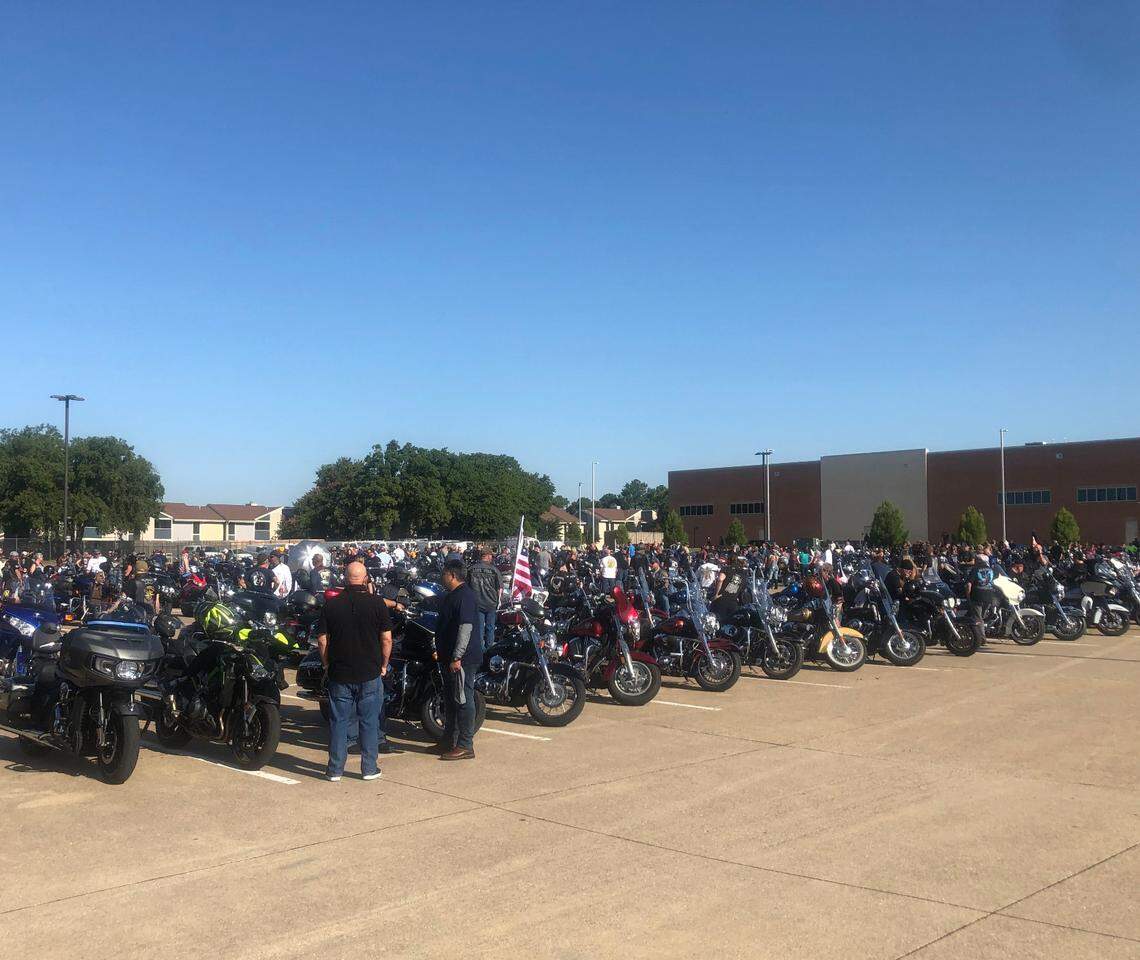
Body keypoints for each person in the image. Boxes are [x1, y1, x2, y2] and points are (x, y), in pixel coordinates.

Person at [316, 561, 393, 782]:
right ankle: (369, 768)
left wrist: (326, 664)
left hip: (340, 672)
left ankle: (335, 769)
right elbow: (387, 638)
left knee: (338, 721)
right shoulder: (377, 604)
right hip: (369, 671)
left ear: (344, 578)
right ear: (365, 578)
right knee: (369, 721)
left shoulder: (331, 605)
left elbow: (322, 640)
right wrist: (384, 665)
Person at [435, 558, 480, 761]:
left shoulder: (465, 596)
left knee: (463, 700)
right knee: (451, 701)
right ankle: (448, 740)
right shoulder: (451, 596)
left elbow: (466, 627)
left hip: (462, 660)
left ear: (452, 575)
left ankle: (465, 744)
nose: (441, 577)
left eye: (444, 573)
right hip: (448, 658)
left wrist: (457, 656)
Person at [467, 548, 502, 655]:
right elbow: (499, 587)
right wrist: (498, 601)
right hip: (491, 602)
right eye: (491, 555)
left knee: (479, 628)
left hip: (477, 603)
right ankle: (489, 650)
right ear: (487, 556)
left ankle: (480, 650)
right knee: (490, 628)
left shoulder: (471, 569)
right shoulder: (494, 570)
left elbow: (467, 587)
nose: (492, 557)